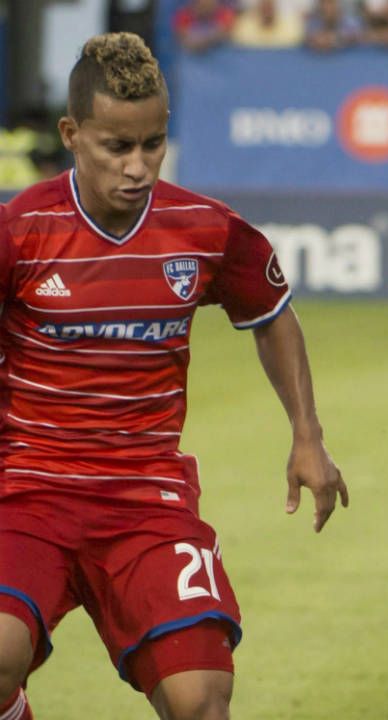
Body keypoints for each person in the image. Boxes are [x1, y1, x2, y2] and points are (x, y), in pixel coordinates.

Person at [0, 32, 348, 720]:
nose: (138, 167)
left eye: (152, 144)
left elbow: (273, 314)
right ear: (72, 134)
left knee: (203, 702)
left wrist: (307, 436)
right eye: (116, 147)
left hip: (145, 502)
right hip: (29, 491)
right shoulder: (20, 229)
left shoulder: (206, 230)